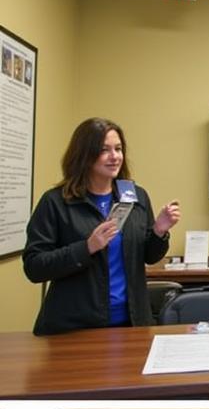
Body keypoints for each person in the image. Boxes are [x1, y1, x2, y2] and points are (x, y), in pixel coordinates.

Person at [23, 117, 181, 335]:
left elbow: (149, 257)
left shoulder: (134, 196)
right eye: (104, 150)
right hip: (76, 327)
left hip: (132, 322)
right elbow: (34, 267)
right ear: (84, 154)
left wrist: (159, 231)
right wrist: (87, 247)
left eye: (118, 149)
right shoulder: (56, 202)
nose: (114, 156)